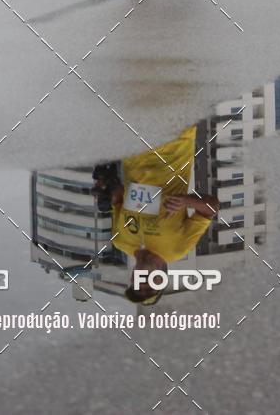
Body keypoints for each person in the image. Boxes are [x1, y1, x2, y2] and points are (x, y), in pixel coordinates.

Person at [93, 126, 219, 306]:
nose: (143, 283)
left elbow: (119, 196)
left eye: (138, 286)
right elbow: (211, 208)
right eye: (149, 287)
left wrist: (103, 187)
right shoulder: (177, 249)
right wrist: (186, 201)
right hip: (174, 141)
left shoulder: (120, 241)